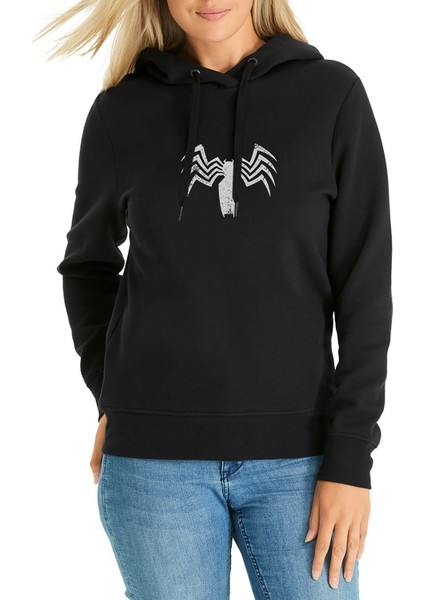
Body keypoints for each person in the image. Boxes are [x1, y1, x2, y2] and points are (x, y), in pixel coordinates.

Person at [35, 0, 393, 598]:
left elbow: (365, 286)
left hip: (301, 461)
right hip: (152, 468)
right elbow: (87, 266)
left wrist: (352, 459)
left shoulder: (332, 97)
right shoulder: (121, 112)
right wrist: (111, 394)